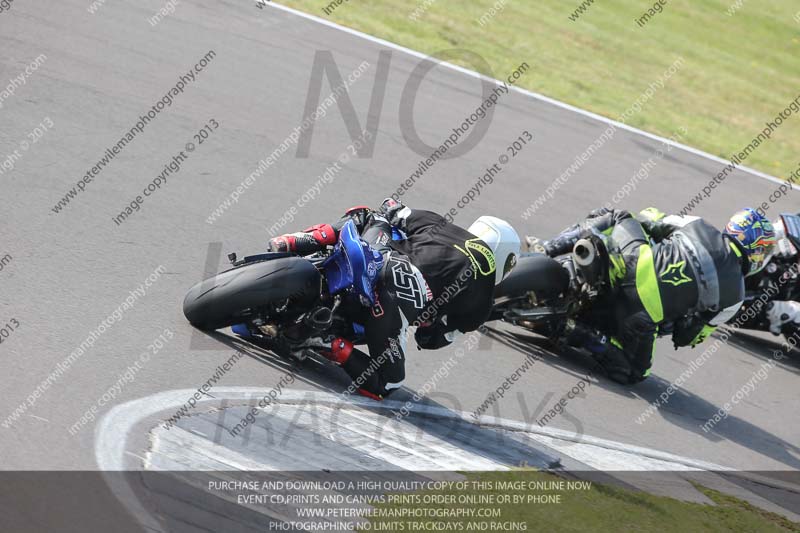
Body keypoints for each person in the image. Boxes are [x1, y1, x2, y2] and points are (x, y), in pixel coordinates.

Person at [268, 199, 521, 399]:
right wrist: (429, 319)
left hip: (378, 257)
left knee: (366, 215)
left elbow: (391, 208)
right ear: (505, 260)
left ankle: (299, 241)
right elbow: (430, 339)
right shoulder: (483, 300)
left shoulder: (441, 224)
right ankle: (327, 341)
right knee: (387, 383)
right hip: (394, 299)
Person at [541, 206, 776, 384]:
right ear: (756, 251)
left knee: (617, 216)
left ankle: (549, 248)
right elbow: (687, 336)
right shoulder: (735, 298)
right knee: (635, 373)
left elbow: (649, 219)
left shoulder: (697, 224)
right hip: (639, 316)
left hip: (630, 263)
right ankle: (575, 331)